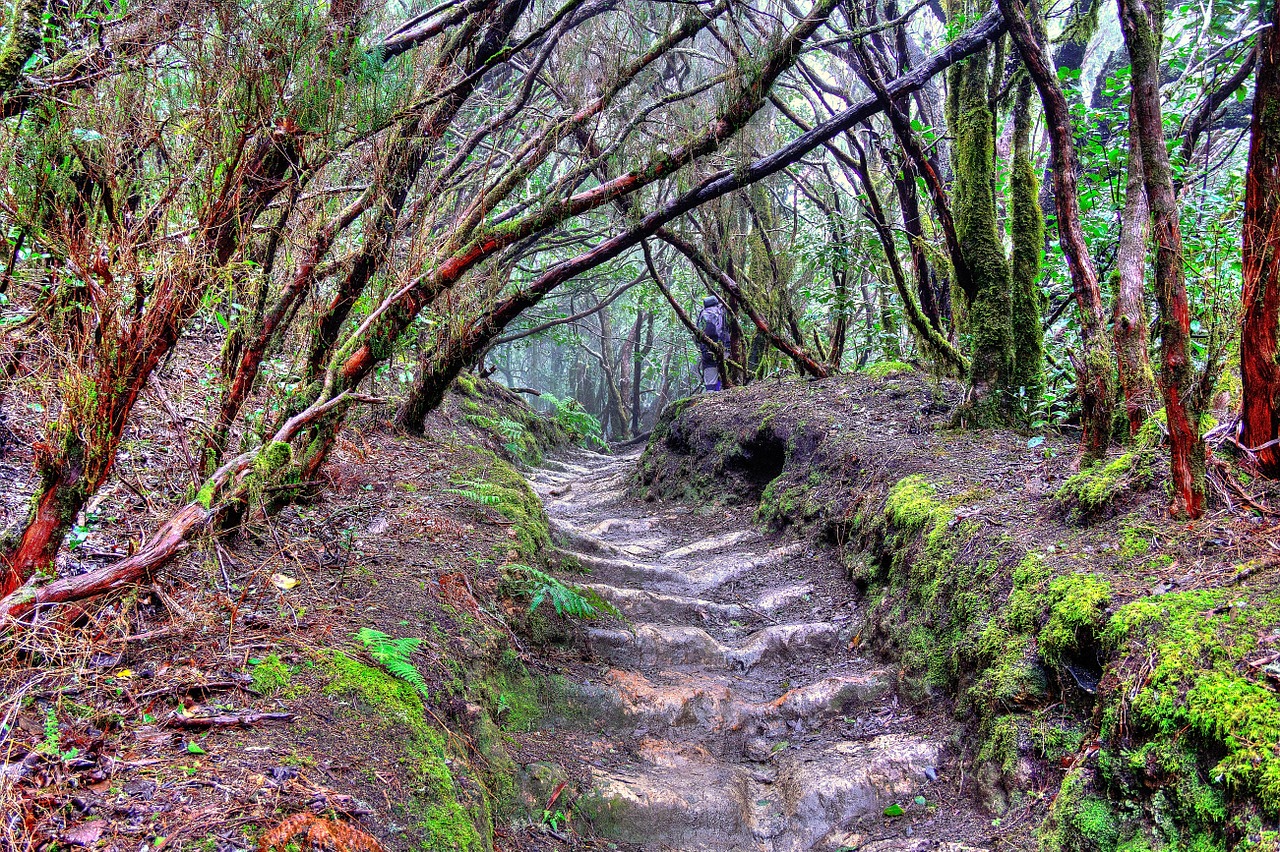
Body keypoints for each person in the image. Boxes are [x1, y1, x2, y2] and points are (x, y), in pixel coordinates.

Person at [697, 295, 731, 391]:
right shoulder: (722, 310)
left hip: (706, 348)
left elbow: (697, 333)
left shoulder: (702, 313)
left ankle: (711, 394)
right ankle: (721, 392)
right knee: (722, 369)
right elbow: (729, 327)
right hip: (723, 346)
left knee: (710, 370)